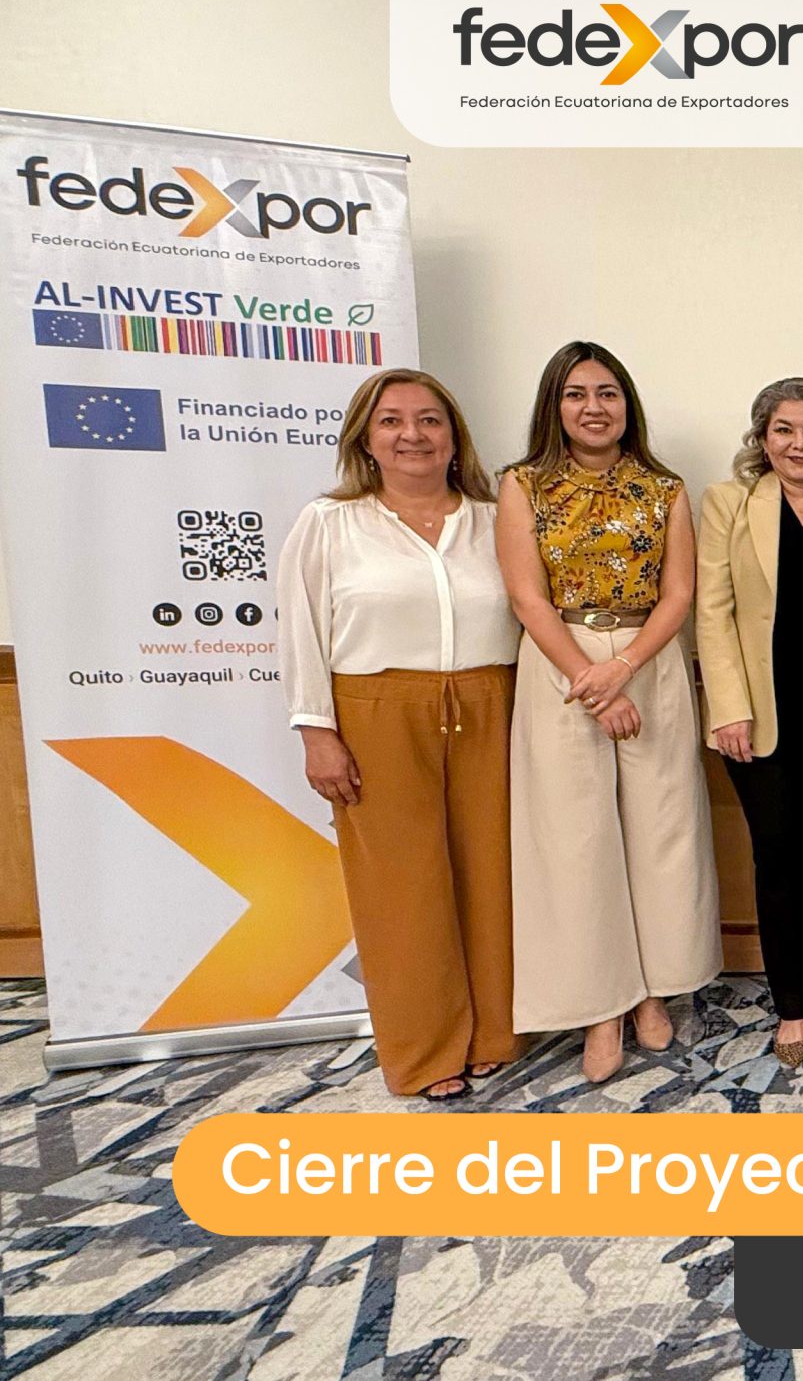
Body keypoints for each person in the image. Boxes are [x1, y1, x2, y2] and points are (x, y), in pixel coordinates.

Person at [277, 368, 523, 1102]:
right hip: (378, 711)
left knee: (494, 875)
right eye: (391, 421)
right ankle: (424, 1050)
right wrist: (316, 731)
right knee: (402, 888)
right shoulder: (330, 523)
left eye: (429, 419)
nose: (412, 434)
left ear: (454, 436)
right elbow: (301, 629)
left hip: (492, 704)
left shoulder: (495, 520)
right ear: (365, 438)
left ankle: (495, 1032)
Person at [497, 341, 721, 1083]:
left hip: (647, 661)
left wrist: (623, 668)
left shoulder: (664, 488)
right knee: (576, 840)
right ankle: (602, 1004)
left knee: (661, 831)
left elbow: (679, 593)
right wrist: (589, 679)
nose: (593, 408)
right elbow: (526, 596)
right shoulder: (523, 485)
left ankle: (655, 987)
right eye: (576, 394)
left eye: (607, 393)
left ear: (627, 405)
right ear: (554, 406)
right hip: (560, 662)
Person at [697, 377, 803, 1070]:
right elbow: (712, 611)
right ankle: (791, 1004)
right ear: (762, 440)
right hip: (760, 715)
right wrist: (728, 707)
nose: (800, 443)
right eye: (784, 430)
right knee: (778, 856)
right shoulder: (730, 504)